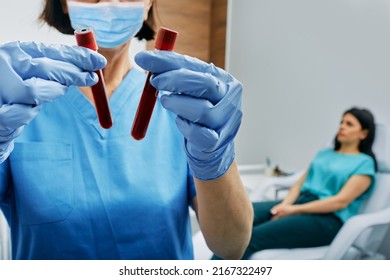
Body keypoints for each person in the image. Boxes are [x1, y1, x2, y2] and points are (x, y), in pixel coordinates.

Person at [0, 0, 253, 260]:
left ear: (148, 5)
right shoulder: (19, 102)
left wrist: (217, 157)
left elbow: (231, 246)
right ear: (63, 4)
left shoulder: (183, 105)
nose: (110, 2)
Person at [213, 107, 377, 260]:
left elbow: (340, 201)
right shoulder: (325, 154)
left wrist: (293, 210)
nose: (342, 126)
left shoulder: (364, 163)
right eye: (341, 122)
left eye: (349, 124)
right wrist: (284, 206)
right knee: (240, 213)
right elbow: (299, 184)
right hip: (301, 202)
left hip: (327, 219)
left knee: (250, 237)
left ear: (363, 133)